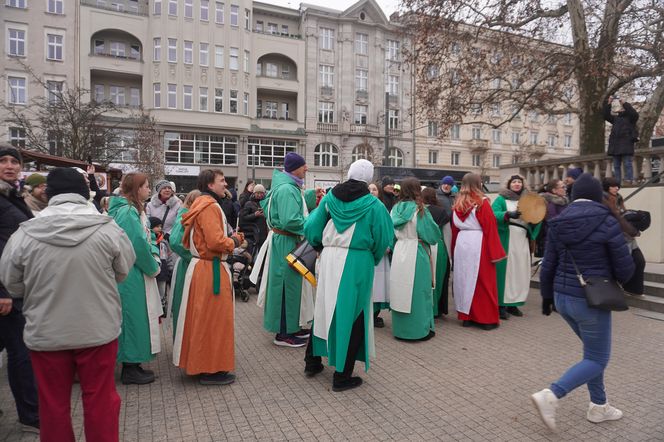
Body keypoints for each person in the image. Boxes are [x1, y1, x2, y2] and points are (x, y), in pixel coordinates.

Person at [0, 167, 135, 442]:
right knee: (100, 399)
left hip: (46, 331)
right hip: (98, 328)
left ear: (49, 194)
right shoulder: (107, 229)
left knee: (52, 404)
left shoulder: (25, 233)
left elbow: (12, 284)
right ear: (85, 193)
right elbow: (123, 271)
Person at [532, 173, 635, 432]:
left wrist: (546, 298)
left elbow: (548, 265)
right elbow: (625, 268)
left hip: (562, 298)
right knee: (598, 358)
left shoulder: (558, 221)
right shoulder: (607, 220)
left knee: (592, 355)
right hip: (591, 299)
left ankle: (599, 406)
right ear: (597, 195)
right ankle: (552, 394)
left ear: (573, 195)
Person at [303, 159, 393, 391]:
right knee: (353, 314)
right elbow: (384, 237)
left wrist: (320, 247)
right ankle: (342, 376)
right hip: (357, 259)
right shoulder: (374, 205)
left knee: (324, 307)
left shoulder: (330, 198)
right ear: (369, 179)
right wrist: (371, 257)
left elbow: (311, 227)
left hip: (330, 257)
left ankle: (312, 362)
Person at [172, 169, 244, 385]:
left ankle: (201, 363)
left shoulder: (200, 204)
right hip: (210, 269)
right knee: (213, 321)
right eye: (222, 181)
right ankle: (211, 369)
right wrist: (235, 241)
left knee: (202, 320)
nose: (225, 184)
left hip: (202, 268)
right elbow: (215, 242)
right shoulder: (210, 207)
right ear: (210, 185)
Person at [250, 152, 318, 347]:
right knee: (285, 287)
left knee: (292, 286)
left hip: (285, 241)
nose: (306, 168)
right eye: (303, 165)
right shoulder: (288, 189)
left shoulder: (285, 186)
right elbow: (290, 220)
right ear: (295, 168)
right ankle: (284, 333)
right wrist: (312, 224)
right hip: (287, 242)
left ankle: (292, 327)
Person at [108, 173, 162, 385]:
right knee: (133, 318)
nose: (149, 190)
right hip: (131, 273)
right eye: (146, 186)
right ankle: (130, 366)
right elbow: (136, 245)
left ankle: (133, 363)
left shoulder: (130, 210)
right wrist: (153, 265)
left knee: (135, 317)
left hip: (131, 270)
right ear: (136, 189)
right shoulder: (129, 212)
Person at [0, 145, 39, 434]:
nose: (9, 166)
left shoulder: (12, 196)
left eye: (15, 161)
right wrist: (2, 291)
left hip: (16, 285)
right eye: (3, 161)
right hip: (7, 290)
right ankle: (30, 413)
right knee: (20, 351)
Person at [451, 173, 506, 330]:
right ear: (478, 184)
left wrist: (453, 251)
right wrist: (495, 252)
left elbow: (455, 230)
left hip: (462, 244)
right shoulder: (482, 203)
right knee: (483, 281)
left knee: (464, 280)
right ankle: (485, 319)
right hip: (478, 244)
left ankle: (466, 317)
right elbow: (490, 228)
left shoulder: (457, 204)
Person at [389, 178, 440, 341]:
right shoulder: (420, 210)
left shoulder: (394, 209)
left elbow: (390, 232)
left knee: (400, 290)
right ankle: (418, 330)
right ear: (417, 190)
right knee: (418, 292)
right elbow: (432, 235)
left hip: (400, 251)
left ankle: (401, 329)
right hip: (416, 252)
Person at [492, 175, 541, 320]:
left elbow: (537, 218)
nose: (517, 184)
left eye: (519, 182)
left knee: (520, 271)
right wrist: (507, 214)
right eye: (514, 182)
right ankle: (501, 305)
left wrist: (535, 221)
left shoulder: (529, 200)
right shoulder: (501, 199)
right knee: (505, 272)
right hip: (507, 239)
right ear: (509, 184)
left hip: (522, 239)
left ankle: (513, 304)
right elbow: (492, 214)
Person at [602, 177, 645, 296]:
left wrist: (633, 223)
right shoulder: (603, 199)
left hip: (627, 235)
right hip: (615, 236)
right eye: (613, 186)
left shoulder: (619, 197)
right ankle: (619, 288)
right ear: (607, 187)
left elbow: (623, 215)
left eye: (617, 186)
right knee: (624, 263)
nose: (616, 188)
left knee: (639, 260)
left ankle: (634, 289)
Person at [167, 190, 201, 338]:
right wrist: (196, 256)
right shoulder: (185, 214)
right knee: (185, 306)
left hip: (192, 265)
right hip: (188, 266)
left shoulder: (189, 213)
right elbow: (175, 241)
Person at [422, 187, 449, 319]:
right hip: (438, 245)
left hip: (422, 245)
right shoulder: (441, 211)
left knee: (425, 279)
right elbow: (447, 233)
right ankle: (436, 309)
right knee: (437, 278)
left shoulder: (419, 210)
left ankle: (425, 307)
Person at [604, 96, 639, 184]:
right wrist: (609, 103)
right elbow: (605, 115)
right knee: (616, 166)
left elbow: (634, 114)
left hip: (626, 144)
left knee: (627, 163)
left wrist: (624, 103)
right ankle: (617, 181)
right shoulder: (615, 119)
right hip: (615, 145)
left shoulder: (631, 118)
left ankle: (628, 179)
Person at [435, 176, 456, 316]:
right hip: (442, 234)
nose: (446, 186)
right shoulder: (437, 197)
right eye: (445, 184)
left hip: (454, 231)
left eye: (449, 184)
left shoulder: (455, 198)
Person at [238, 184, 268, 251]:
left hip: (265, 232)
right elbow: (243, 218)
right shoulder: (249, 203)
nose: (260, 195)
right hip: (254, 233)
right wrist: (254, 215)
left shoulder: (266, 203)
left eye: (261, 193)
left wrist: (266, 215)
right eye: (258, 193)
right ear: (254, 193)